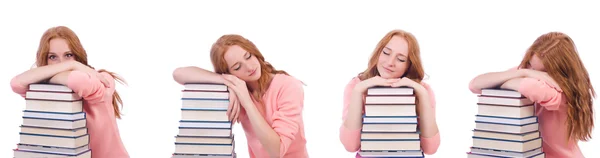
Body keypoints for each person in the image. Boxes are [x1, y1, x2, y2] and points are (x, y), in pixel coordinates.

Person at [172, 34, 308, 158]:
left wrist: (247, 101)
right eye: (237, 67)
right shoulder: (238, 88)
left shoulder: (289, 86)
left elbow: (276, 151)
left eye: (248, 56)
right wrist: (227, 81)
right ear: (229, 73)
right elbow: (178, 74)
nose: (249, 67)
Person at [468, 32, 595, 158]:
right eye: (531, 66)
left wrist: (516, 77)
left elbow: (529, 87)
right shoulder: (527, 73)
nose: (536, 75)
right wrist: (524, 72)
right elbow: (474, 84)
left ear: (560, 72)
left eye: (543, 72)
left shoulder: (561, 92)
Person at [10, 26, 130, 158]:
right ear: (45, 60)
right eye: (52, 57)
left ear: (78, 56)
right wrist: (71, 65)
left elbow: (77, 80)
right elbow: (15, 83)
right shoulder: (45, 89)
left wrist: (67, 69)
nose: (61, 63)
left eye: (68, 55)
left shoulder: (102, 79)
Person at [339, 29, 441, 157]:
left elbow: (430, 149)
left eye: (401, 59)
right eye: (386, 53)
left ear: (409, 65)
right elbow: (350, 145)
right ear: (378, 52)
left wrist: (422, 93)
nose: (390, 62)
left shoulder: (422, 90)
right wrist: (359, 90)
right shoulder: (356, 86)